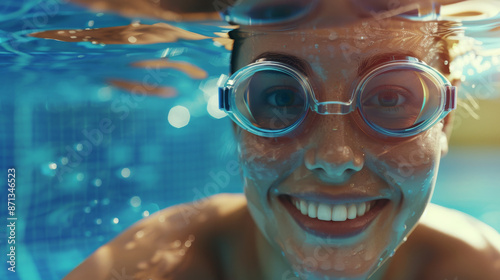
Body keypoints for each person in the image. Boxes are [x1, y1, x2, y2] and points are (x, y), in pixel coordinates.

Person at [64, 1, 500, 279]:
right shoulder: (156, 267)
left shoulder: (478, 267)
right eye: (282, 98)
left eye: (389, 98)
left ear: (443, 121)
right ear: (237, 121)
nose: (334, 158)